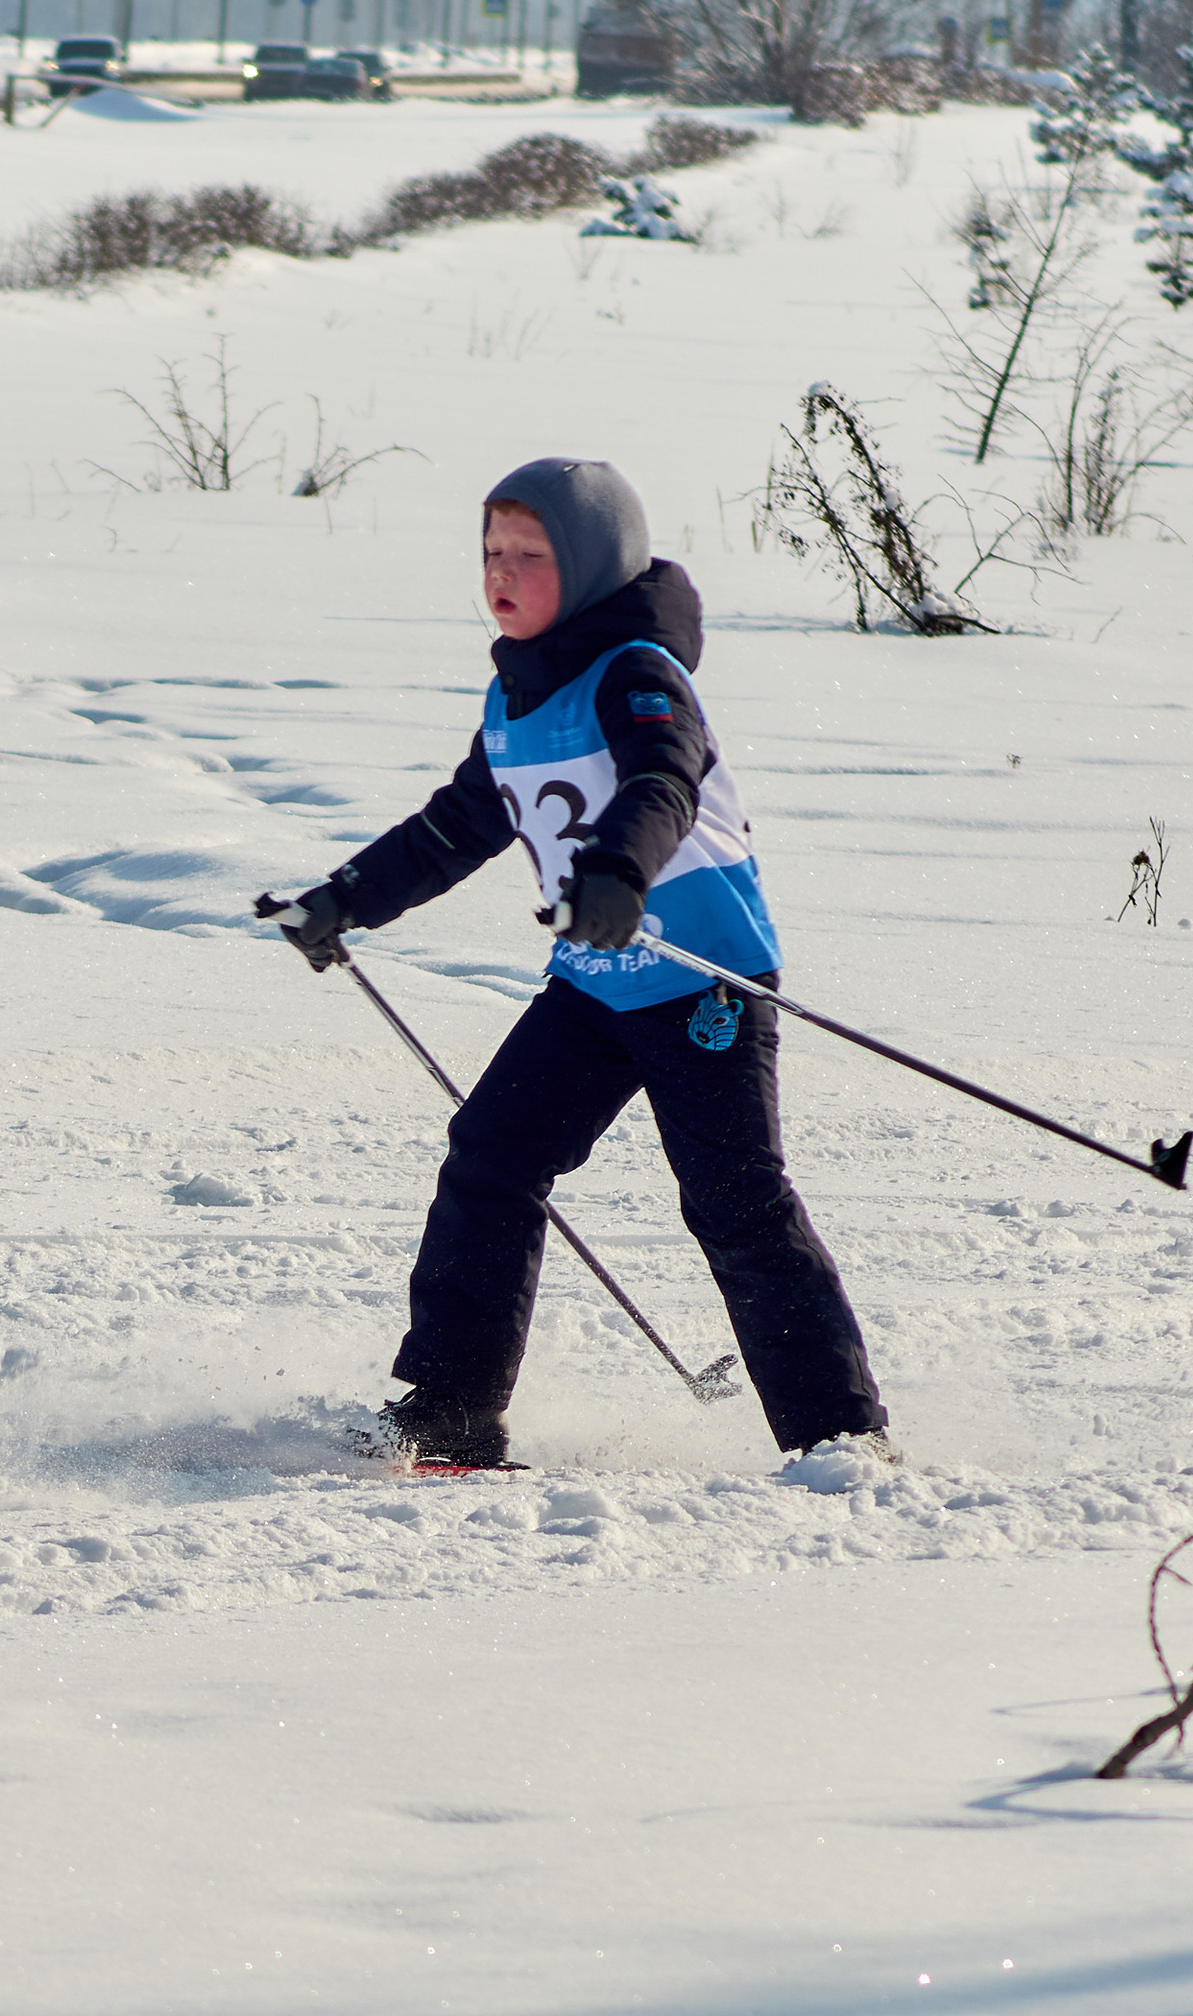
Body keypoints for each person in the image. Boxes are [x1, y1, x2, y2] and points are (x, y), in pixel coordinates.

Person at [258, 456, 886, 1468]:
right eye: (491, 551)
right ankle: (454, 1411)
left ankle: (839, 1437)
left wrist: (617, 873)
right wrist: (344, 901)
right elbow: (457, 826)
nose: (501, 572)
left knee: (734, 1204)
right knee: (491, 1157)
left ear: (591, 564)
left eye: (530, 554)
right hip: (594, 984)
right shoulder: (514, 693)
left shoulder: (635, 672)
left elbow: (663, 781)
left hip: (700, 979)